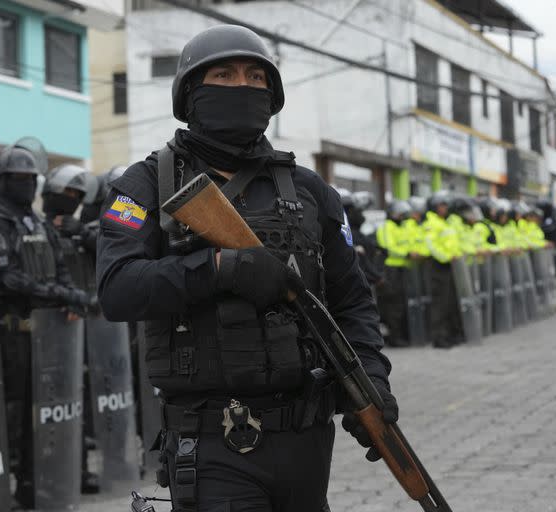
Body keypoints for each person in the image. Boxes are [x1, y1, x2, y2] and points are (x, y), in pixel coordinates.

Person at [96, 25, 395, 512]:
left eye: (256, 77)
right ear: (191, 94)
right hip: (213, 441)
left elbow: (351, 301)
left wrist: (373, 384)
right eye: (225, 74)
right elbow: (116, 288)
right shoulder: (147, 183)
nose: (243, 86)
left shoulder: (310, 190)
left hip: (304, 440)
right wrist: (219, 269)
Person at [0, 137, 97, 508]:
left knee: (41, 413)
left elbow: (59, 267)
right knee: (11, 414)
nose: (25, 183)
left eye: (30, 177)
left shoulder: (36, 222)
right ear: (1, 180)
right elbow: (6, 276)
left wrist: (71, 297)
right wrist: (61, 294)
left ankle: (31, 485)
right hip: (9, 334)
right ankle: (0, 489)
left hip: (47, 335)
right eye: (17, 177)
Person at [40, 163, 101, 494]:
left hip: (88, 325)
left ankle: (77, 470)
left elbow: (112, 247)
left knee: (76, 400)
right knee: (54, 403)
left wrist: (83, 232)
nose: (72, 200)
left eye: (78, 196)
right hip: (49, 330)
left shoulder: (85, 230)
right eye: (67, 194)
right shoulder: (35, 228)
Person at [422, 191, 463, 348]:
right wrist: (446, 257)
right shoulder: (431, 224)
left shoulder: (445, 223)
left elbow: (453, 244)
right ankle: (439, 338)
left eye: (445, 205)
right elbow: (433, 246)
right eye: (441, 205)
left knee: (450, 301)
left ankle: (451, 334)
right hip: (439, 266)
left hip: (450, 266)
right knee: (440, 304)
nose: (444, 208)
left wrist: (456, 255)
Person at [375, 200, 412, 347]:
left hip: (402, 269)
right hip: (390, 270)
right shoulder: (386, 227)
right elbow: (389, 248)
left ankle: (400, 335)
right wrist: (407, 253)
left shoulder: (401, 227)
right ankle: (394, 337)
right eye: (399, 214)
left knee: (401, 303)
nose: (401, 216)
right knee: (392, 305)